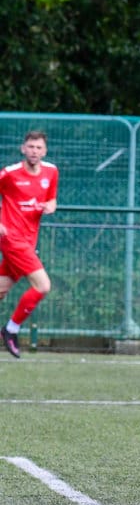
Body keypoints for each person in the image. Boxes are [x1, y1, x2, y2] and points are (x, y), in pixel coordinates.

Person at [0, 130, 59, 358]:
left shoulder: (51, 171)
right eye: (31, 147)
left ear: (45, 151)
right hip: (11, 239)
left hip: (29, 240)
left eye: (38, 148)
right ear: (23, 149)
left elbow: (51, 198)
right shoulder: (10, 174)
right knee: (43, 286)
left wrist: (51, 206)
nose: (34, 151)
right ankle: (11, 329)